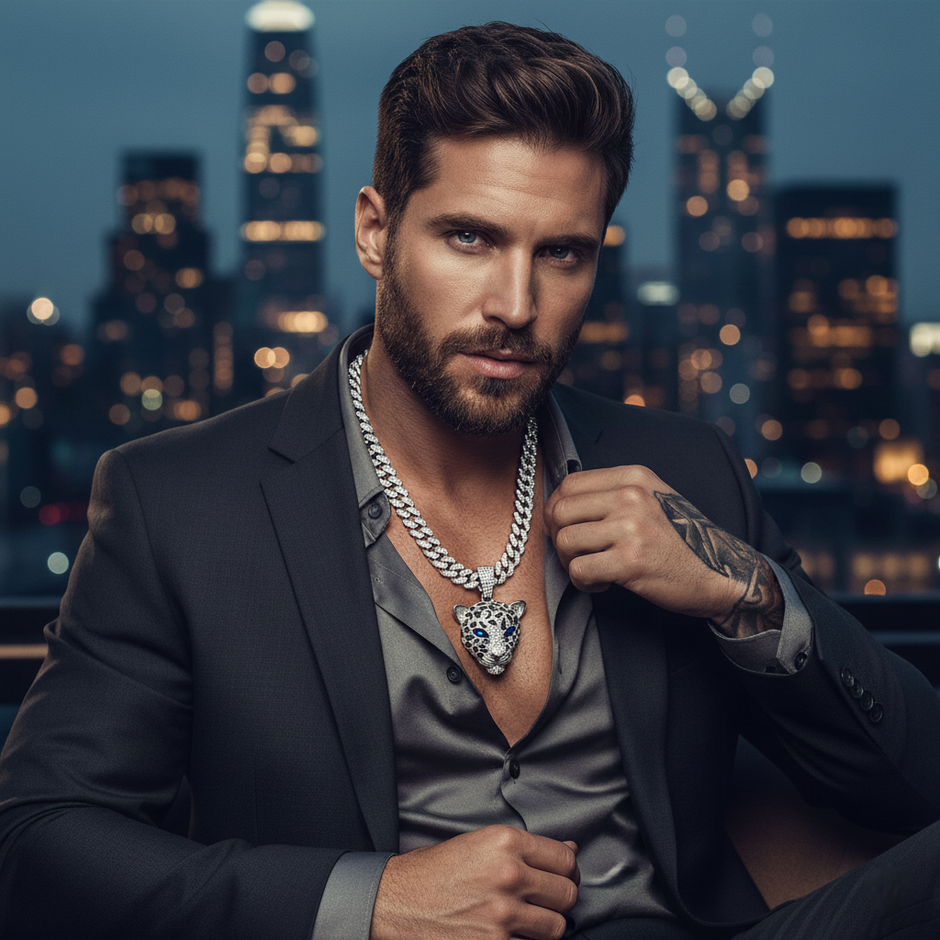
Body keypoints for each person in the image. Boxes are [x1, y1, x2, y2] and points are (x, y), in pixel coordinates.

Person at [1, 21, 939, 940]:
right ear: (376, 232)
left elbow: (919, 778)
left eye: (561, 253)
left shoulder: (686, 469)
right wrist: (365, 905)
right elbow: (36, 843)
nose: (516, 306)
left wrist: (744, 592)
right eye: (470, 238)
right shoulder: (179, 505)